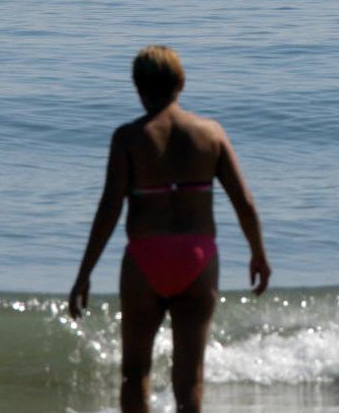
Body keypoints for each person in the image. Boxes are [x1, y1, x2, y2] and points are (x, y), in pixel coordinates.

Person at [68, 45, 271, 413]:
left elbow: (109, 208)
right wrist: (258, 253)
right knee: (190, 379)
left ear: (137, 86)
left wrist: (84, 274)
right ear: (181, 82)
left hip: (145, 257)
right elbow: (245, 202)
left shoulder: (128, 138)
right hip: (198, 258)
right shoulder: (211, 133)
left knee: (134, 373)